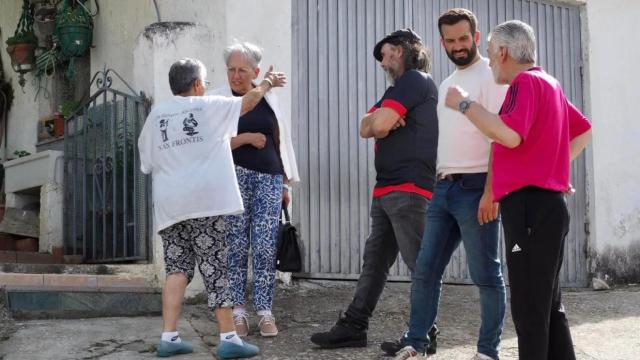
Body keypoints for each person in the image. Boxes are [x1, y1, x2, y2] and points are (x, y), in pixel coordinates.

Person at [444, 20, 592, 360]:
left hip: (529, 209)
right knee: (548, 307)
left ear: (503, 52)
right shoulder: (549, 83)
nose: (490, 62)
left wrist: (465, 104)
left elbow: (509, 135)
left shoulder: (524, 83)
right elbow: (583, 130)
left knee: (529, 309)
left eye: (491, 54)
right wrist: (553, 167)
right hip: (548, 207)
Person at [138, 57, 286, 358]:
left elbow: (147, 163)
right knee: (217, 268)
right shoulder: (207, 106)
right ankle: (229, 339)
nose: (206, 86)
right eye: (204, 82)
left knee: (177, 269)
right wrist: (268, 82)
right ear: (195, 84)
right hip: (204, 203)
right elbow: (247, 103)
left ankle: (169, 337)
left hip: (170, 207)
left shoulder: (157, 115)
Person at [310, 29, 440, 353]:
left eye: (383, 53)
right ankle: (354, 326)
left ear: (400, 50)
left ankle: (423, 335)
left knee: (420, 266)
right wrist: (377, 119)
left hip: (408, 189)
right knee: (375, 262)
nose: (381, 61)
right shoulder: (394, 92)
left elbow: (378, 127)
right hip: (387, 190)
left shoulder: (415, 80)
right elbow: (365, 126)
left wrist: (378, 121)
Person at [388, 9, 507, 360]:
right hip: (444, 188)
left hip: (477, 187)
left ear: (476, 35)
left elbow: (499, 136)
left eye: (463, 39)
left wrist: (491, 190)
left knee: (485, 274)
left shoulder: (492, 75)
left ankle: (488, 352)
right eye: (450, 41)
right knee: (425, 270)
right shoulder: (444, 85)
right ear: (442, 42)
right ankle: (416, 344)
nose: (458, 46)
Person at [207, 42, 300, 338]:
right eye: (231, 70)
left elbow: (279, 140)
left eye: (242, 70)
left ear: (256, 72)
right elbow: (210, 142)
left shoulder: (270, 98)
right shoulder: (218, 99)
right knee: (234, 246)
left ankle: (264, 311)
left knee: (264, 245)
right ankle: (238, 312)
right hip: (233, 178)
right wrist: (245, 137)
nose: (235, 75)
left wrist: (285, 182)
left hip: (270, 179)